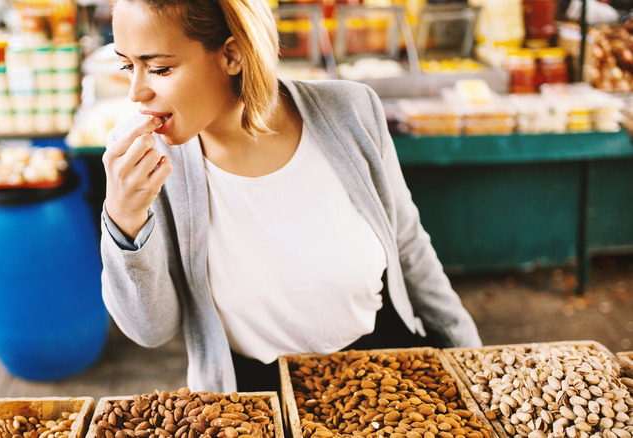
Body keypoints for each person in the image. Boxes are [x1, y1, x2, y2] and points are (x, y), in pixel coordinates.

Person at [100, 0, 482, 393]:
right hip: (253, 398)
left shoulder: (351, 112)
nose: (137, 93)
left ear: (233, 54)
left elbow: (409, 249)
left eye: (160, 68)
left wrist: (472, 362)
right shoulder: (144, 163)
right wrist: (124, 220)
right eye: (128, 66)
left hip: (385, 378)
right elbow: (150, 330)